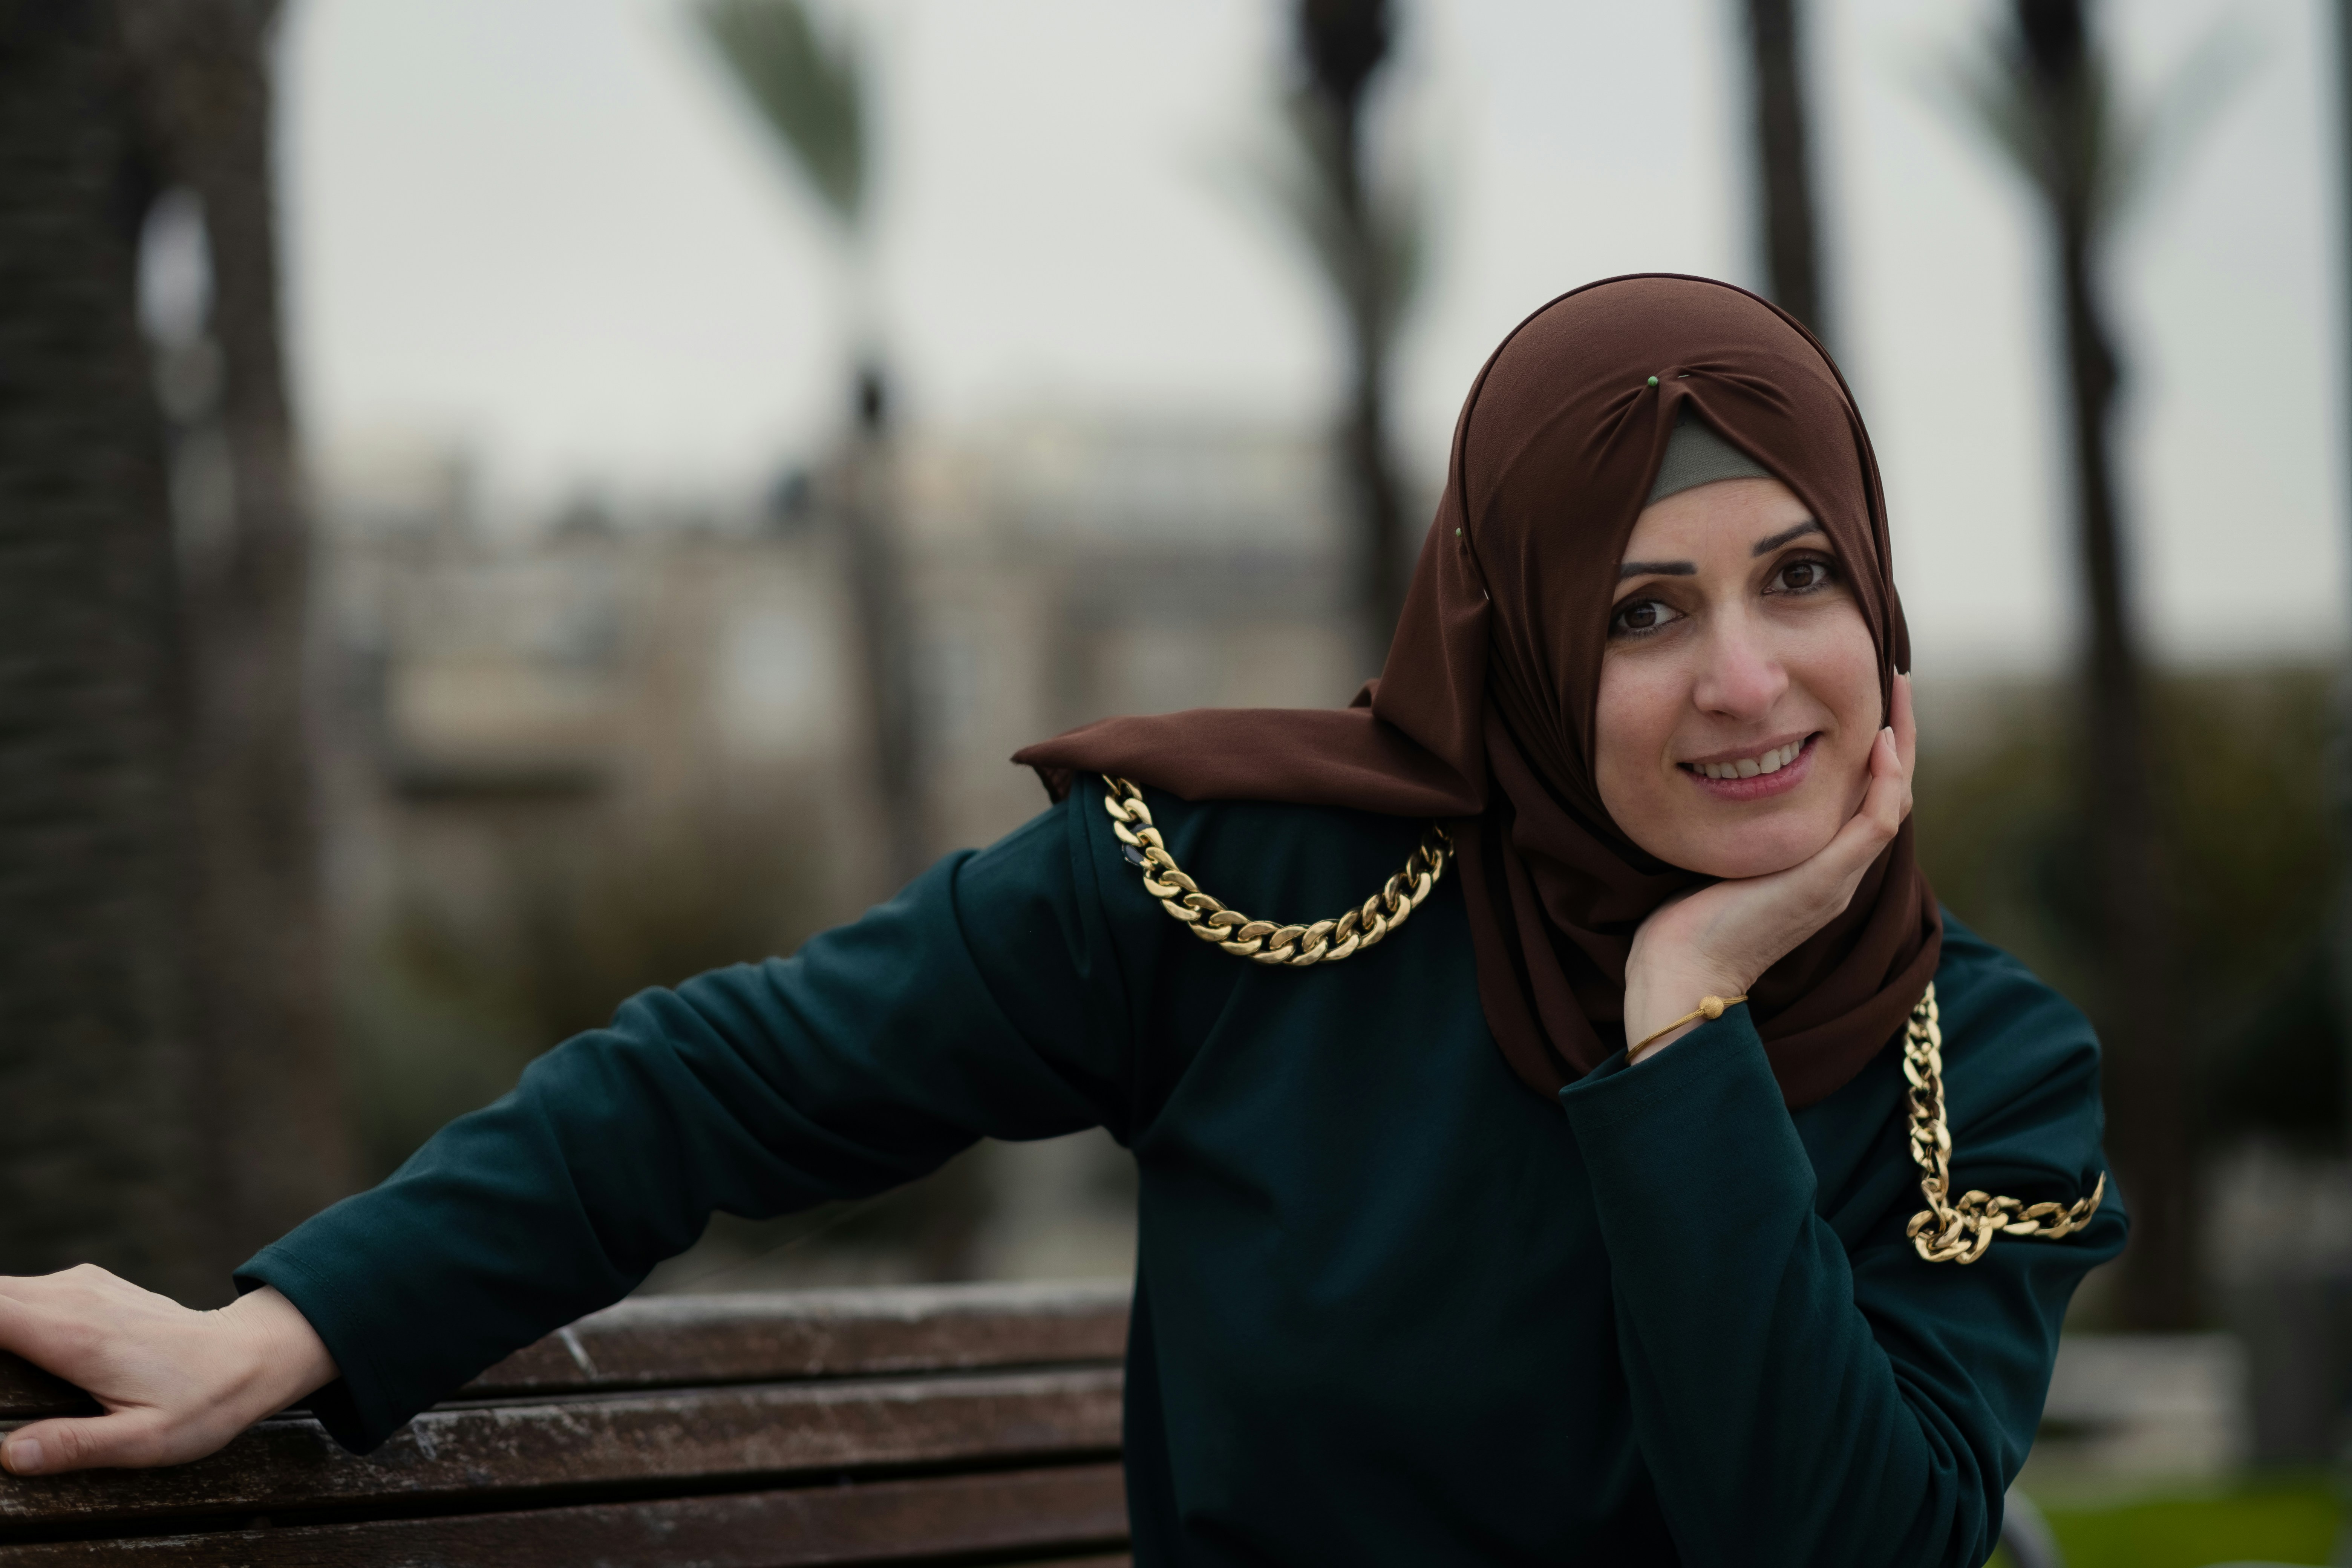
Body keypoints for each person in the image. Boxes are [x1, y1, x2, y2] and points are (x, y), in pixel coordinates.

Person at [0, 274, 2122, 1565]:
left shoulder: (1984, 1069)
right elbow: (730, 1084)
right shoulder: (1259, 892)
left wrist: (1681, 1042)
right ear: (1514, 635)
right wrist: (283, 1329)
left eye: (1801, 577)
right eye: (1642, 611)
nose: (1748, 682)